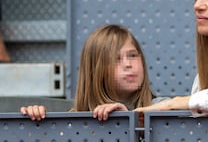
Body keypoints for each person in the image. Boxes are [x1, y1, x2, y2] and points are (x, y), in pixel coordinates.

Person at [21, 24, 166, 121]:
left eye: (133, 55)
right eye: (116, 59)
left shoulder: (163, 109)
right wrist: (38, 125)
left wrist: (127, 119)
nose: (128, 64)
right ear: (95, 71)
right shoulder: (73, 122)